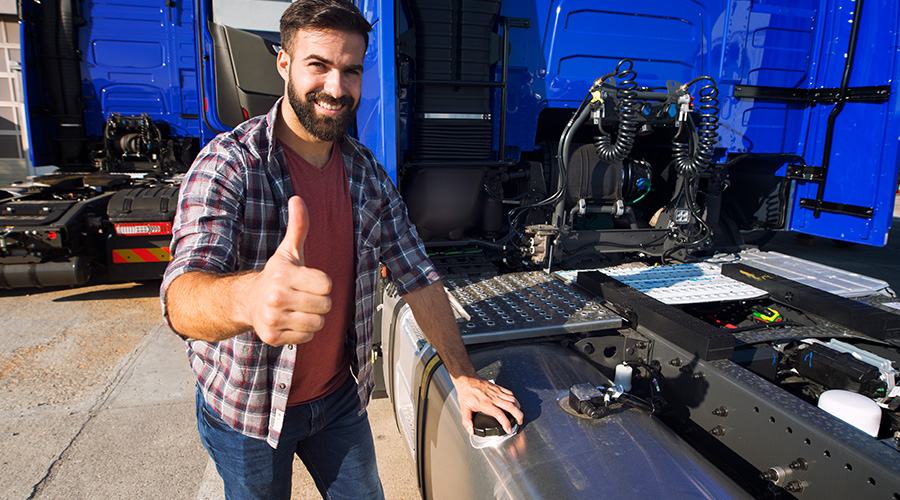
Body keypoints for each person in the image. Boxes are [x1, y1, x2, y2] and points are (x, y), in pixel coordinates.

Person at [160, 1, 523, 498]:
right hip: (247, 409)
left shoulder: (365, 172)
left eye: (350, 71)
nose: (336, 87)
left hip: (337, 400)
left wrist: (462, 375)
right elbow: (181, 295)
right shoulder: (229, 164)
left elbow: (417, 273)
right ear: (284, 63)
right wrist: (249, 299)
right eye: (319, 65)